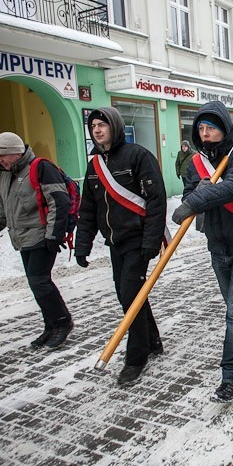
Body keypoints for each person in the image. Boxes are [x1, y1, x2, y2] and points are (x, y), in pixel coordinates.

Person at [172, 101, 233, 402]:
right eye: (200, 129)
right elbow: (189, 191)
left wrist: (198, 199)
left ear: (224, 128)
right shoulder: (197, 161)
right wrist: (196, 191)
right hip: (217, 245)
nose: (205, 134)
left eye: (211, 128)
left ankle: (230, 378)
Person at [74, 107, 166, 385]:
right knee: (131, 295)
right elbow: (88, 208)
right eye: (93, 127)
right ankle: (152, 342)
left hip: (138, 241)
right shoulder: (94, 166)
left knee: (129, 296)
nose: (98, 130)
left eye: (103, 125)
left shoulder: (138, 156)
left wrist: (151, 241)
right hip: (115, 243)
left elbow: (156, 201)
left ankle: (135, 359)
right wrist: (82, 244)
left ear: (115, 125)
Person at [0, 132, 74, 349]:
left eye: (1, 155)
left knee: (39, 281)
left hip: (42, 236)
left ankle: (62, 322)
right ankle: (50, 326)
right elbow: (2, 206)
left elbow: (58, 203)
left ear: (15, 152)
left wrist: (53, 235)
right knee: (37, 283)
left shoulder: (41, 168)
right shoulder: (7, 174)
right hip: (23, 237)